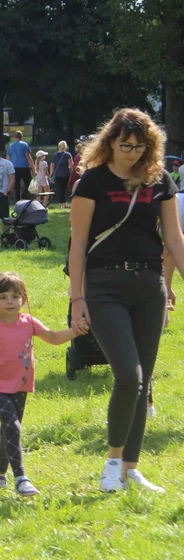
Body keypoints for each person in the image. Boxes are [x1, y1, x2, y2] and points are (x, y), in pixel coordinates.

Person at [68, 108, 184, 493]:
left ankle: (131, 468)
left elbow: (174, 238)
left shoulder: (159, 180)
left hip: (149, 285)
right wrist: (77, 297)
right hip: (104, 285)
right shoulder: (92, 182)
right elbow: (79, 242)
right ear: (110, 143)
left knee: (144, 377)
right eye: (124, 145)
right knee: (128, 377)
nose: (131, 153)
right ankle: (111, 462)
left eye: (139, 147)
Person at [0, 272, 86, 496]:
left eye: (15, 297)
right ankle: (21, 478)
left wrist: (75, 331)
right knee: (12, 427)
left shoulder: (29, 323)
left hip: (21, 386)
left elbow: (53, 337)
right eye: (3, 297)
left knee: (8, 431)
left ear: (23, 299)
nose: (10, 302)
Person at [6, 130, 35, 201]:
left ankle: (17, 200)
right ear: (21, 137)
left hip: (14, 167)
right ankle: (24, 195)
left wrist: (7, 169)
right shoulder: (25, 145)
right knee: (28, 183)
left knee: (17, 185)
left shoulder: (11, 146)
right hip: (24, 167)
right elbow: (28, 157)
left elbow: (8, 158)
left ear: (14, 137)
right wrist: (34, 169)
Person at [49, 141, 73, 207]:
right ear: (65, 146)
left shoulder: (55, 155)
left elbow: (52, 165)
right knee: (63, 189)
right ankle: (61, 203)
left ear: (58, 146)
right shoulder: (67, 155)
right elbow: (71, 165)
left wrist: (51, 173)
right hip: (65, 174)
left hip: (57, 174)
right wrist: (71, 171)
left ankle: (63, 204)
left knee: (60, 189)